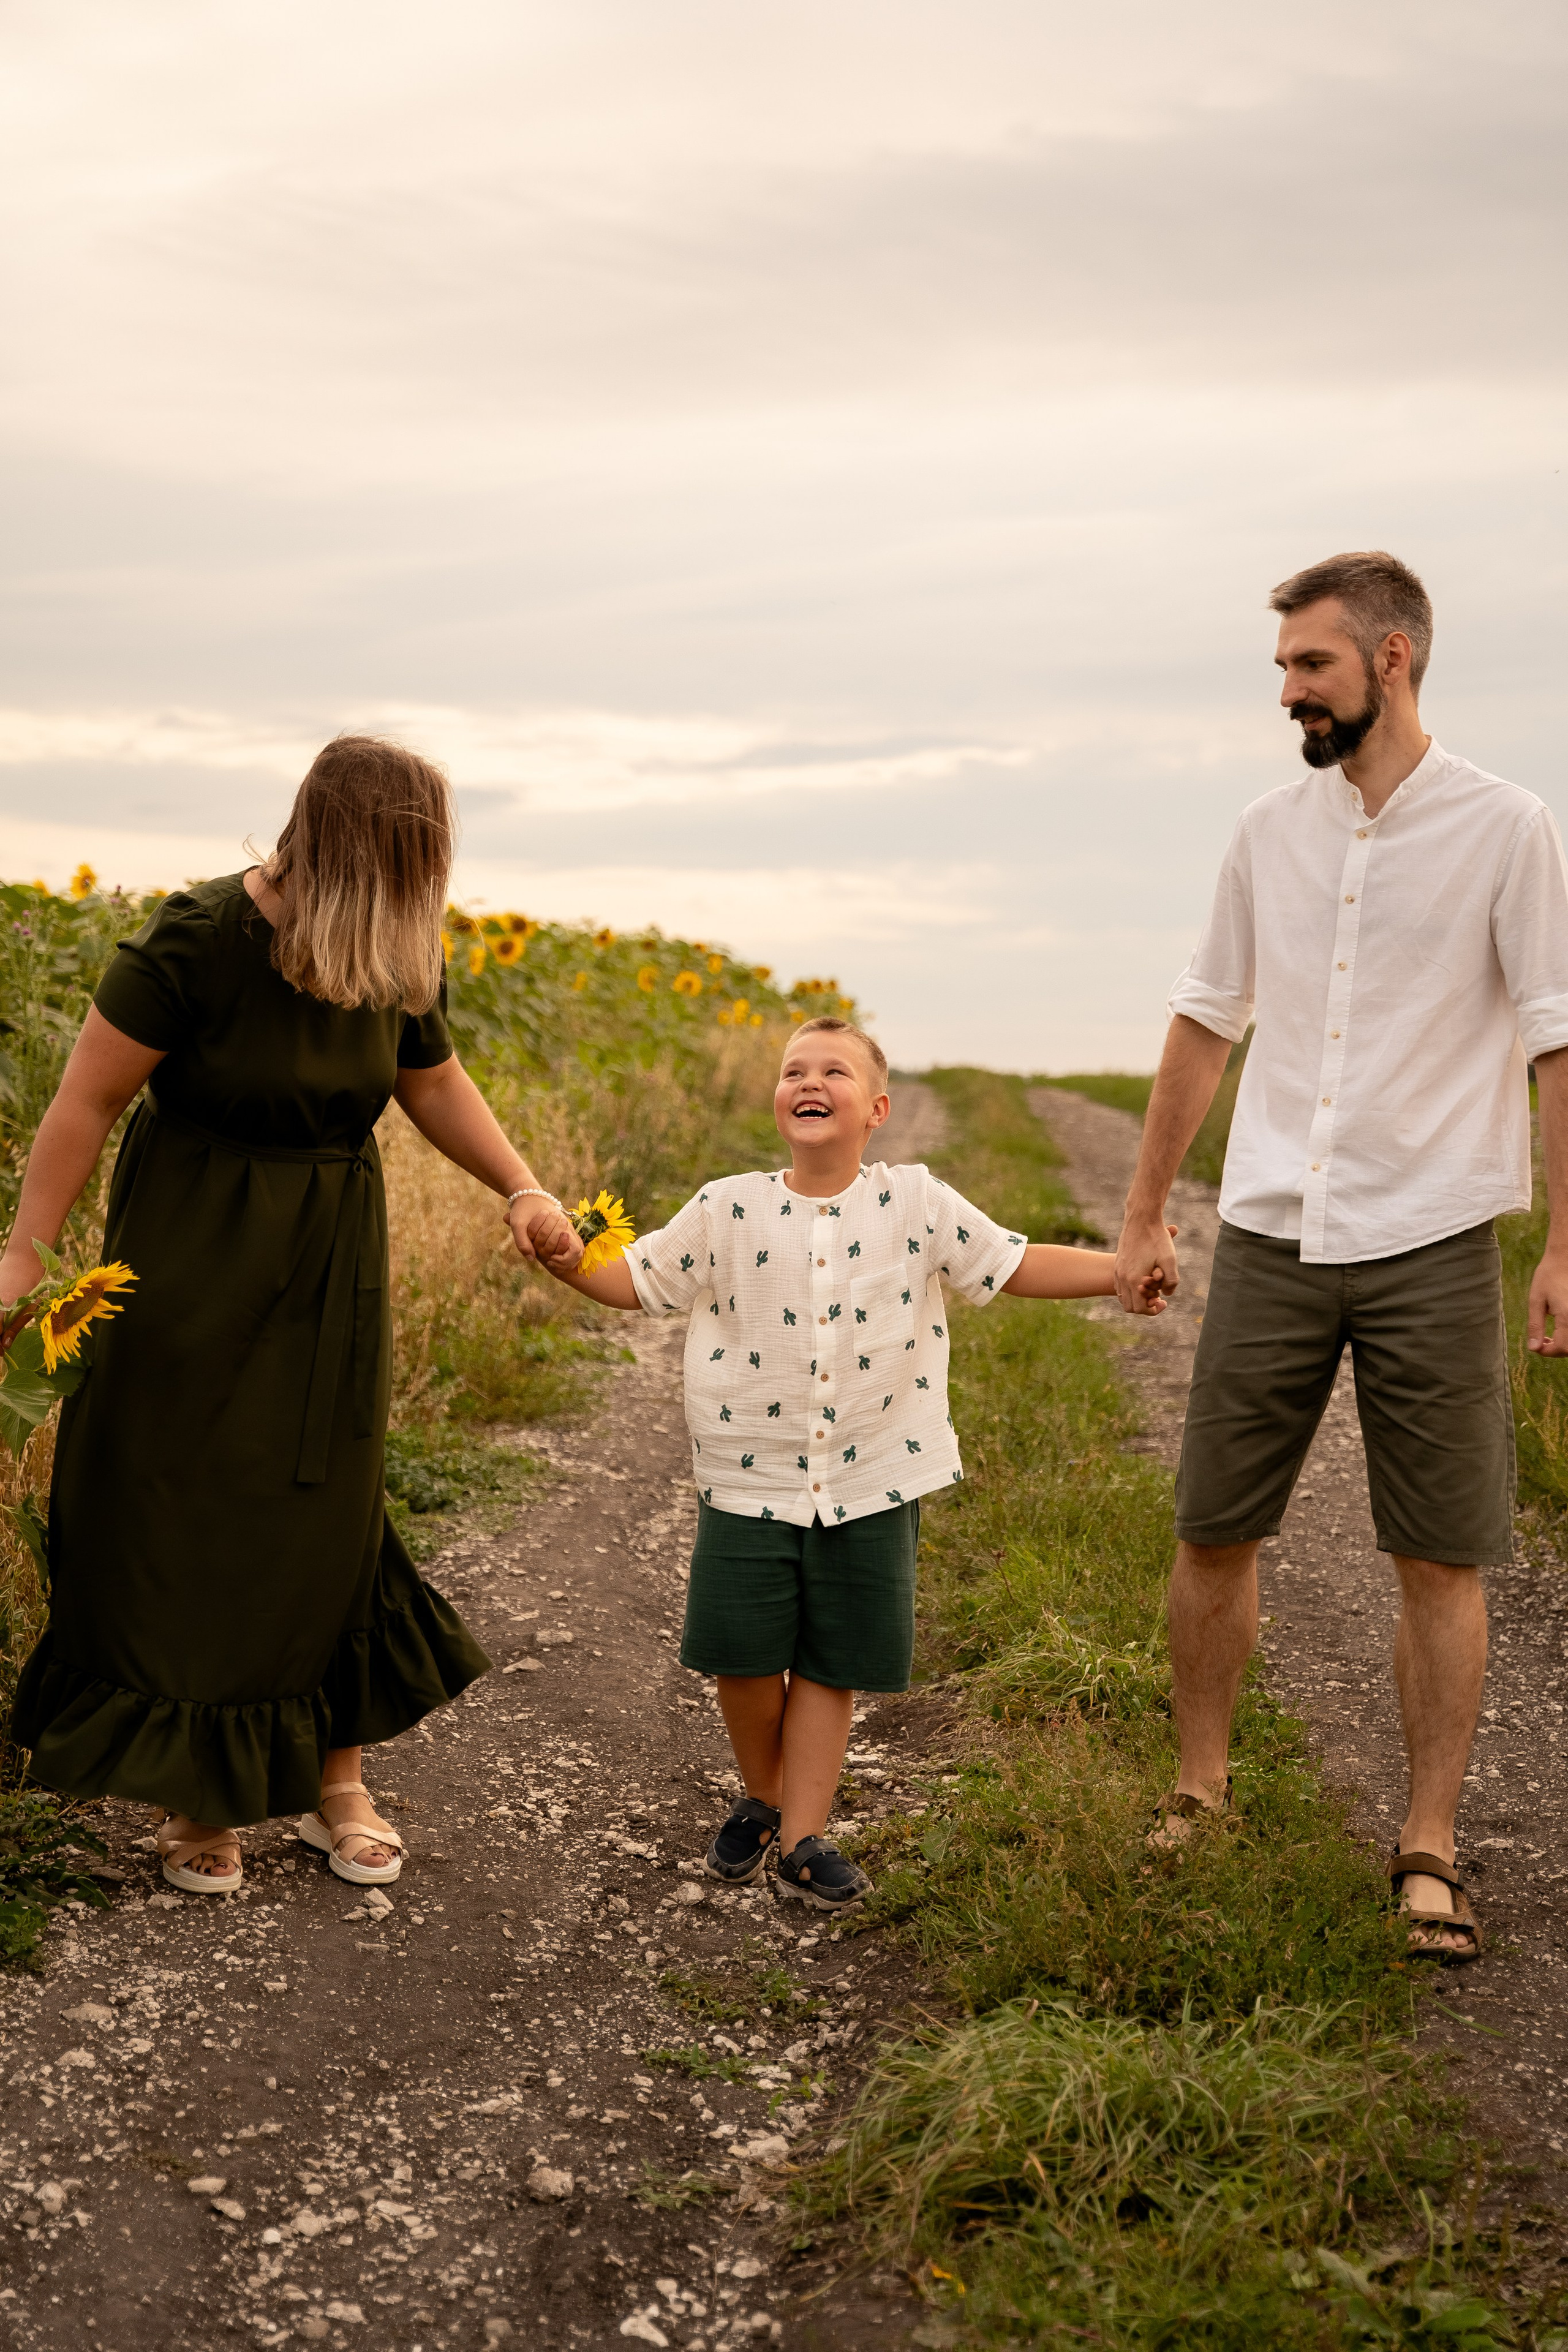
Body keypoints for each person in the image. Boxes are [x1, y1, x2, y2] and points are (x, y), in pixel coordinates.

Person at [0, 736, 582, 1893]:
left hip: (329, 1257)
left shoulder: (400, 951)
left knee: (328, 1503)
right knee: (180, 1502)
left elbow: (431, 1078)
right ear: (366, 845)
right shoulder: (199, 936)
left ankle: (336, 1786)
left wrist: (521, 1185)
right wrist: (25, 1252)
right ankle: (196, 1801)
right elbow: (86, 1100)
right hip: (186, 1248)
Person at [1114, 550, 1568, 1960]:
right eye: (1280, 668)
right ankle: (1198, 1791)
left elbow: (1556, 1044)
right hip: (1267, 1226)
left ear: (1390, 659)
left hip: (1430, 1235)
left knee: (1437, 1551)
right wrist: (1143, 1215)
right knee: (1212, 1524)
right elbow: (1204, 1021)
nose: (1287, 692)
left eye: (1307, 665)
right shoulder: (1266, 831)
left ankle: (1426, 1841)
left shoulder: (1507, 829)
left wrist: (1561, 1246)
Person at [543, 1014, 1156, 1910]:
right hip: (749, 1475)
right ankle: (763, 1789)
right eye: (795, 1070)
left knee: (833, 1661)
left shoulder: (917, 1201)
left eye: (834, 1070)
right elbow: (635, 1280)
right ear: (778, 1101)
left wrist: (1117, 1272)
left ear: (877, 1109)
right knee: (744, 1660)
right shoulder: (727, 1207)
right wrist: (565, 1259)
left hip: (874, 1472)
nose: (810, 1082)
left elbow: (1011, 1263)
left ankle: (801, 1837)